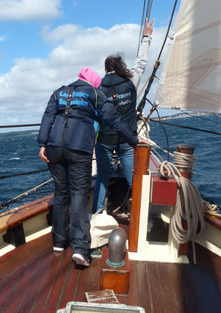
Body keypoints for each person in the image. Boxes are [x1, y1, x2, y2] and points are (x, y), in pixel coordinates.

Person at [38, 67, 144, 267]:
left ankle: (59, 242)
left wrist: (42, 144)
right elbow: (114, 120)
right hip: (78, 149)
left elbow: (48, 117)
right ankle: (80, 248)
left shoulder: (58, 92)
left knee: (61, 194)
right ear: (93, 83)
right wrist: (133, 140)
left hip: (53, 148)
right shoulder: (95, 94)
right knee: (79, 194)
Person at [92, 18, 154, 215]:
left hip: (104, 140)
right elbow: (141, 63)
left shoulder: (98, 88)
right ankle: (139, 215)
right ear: (120, 67)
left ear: (105, 69)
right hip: (127, 139)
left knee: (102, 176)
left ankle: (97, 215)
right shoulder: (130, 81)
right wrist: (147, 37)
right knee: (132, 176)